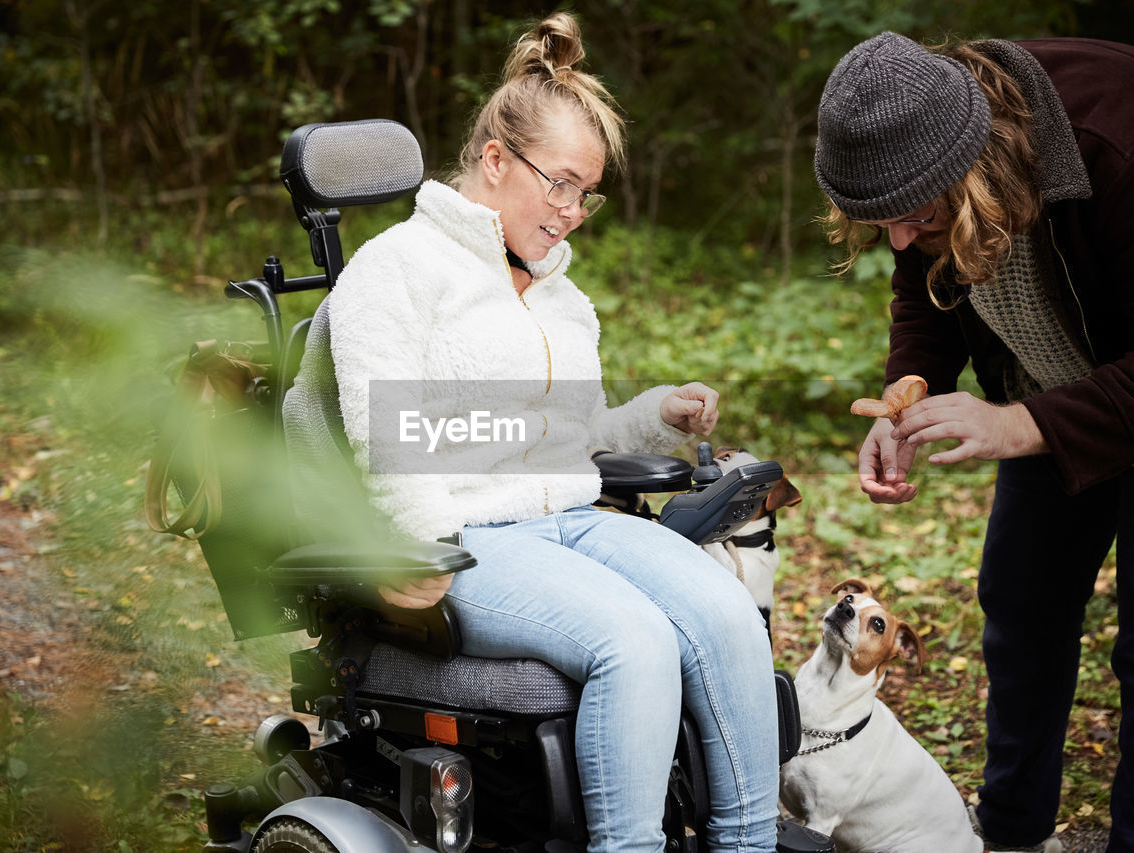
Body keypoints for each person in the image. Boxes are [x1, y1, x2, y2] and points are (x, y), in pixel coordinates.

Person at [290, 13, 782, 852]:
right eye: (558, 184)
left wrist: (654, 414)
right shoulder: (396, 270)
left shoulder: (558, 294)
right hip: (468, 534)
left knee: (727, 611)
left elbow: (572, 438)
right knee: (634, 640)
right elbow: (389, 439)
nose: (571, 212)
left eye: (584, 193)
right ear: (493, 161)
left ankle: (748, 842)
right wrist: (414, 550)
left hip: (572, 520)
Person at [813, 31, 1134, 853]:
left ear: (974, 164)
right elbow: (923, 281)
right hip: (1052, 405)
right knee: (1021, 609)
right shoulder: (928, 156)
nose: (897, 239)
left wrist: (1014, 424)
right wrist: (906, 388)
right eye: (881, 222)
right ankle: (1013, 836)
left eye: (917, 215)